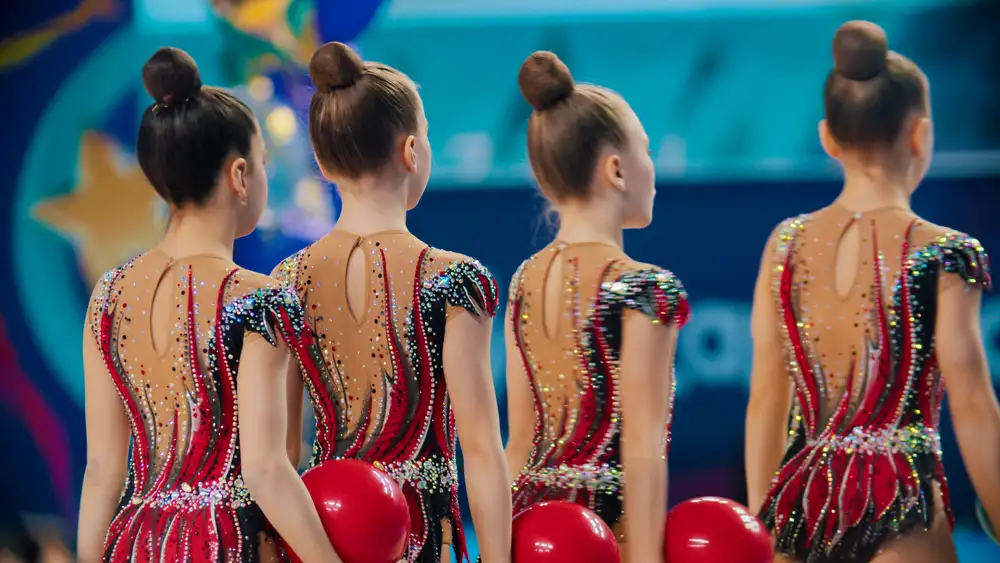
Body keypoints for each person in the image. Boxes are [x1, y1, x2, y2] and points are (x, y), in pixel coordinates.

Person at [745, 21, 1000, 563]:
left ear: (828, 138)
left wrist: (765, 532)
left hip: (801, 512)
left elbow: (766, 400)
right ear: (920, 134)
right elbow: (974, 406)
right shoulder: (944, 250)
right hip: (902, 509)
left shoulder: (785, 244)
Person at [76, 47, 341, 563]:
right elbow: (265, 470)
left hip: (135, 543)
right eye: (264, 163)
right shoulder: (260, 300)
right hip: (222, 544)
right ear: (240, 175)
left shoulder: (107, 294)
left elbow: (101, 472)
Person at [272, 42, 511, 563]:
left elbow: (281, 459)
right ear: (411, 152)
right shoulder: (453, 279)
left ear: (323, 163)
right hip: (419, 534)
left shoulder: (287, 281)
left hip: (324, 535)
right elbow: (484, 453)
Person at [503, 51, 690, 563]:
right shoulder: (644, 288)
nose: (653, 168)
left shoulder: (525, 280)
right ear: (616, 170)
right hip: (607, 530)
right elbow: (643, 449)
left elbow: (518, 444)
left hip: (532, 529)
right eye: (646, 151)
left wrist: (498, 547)